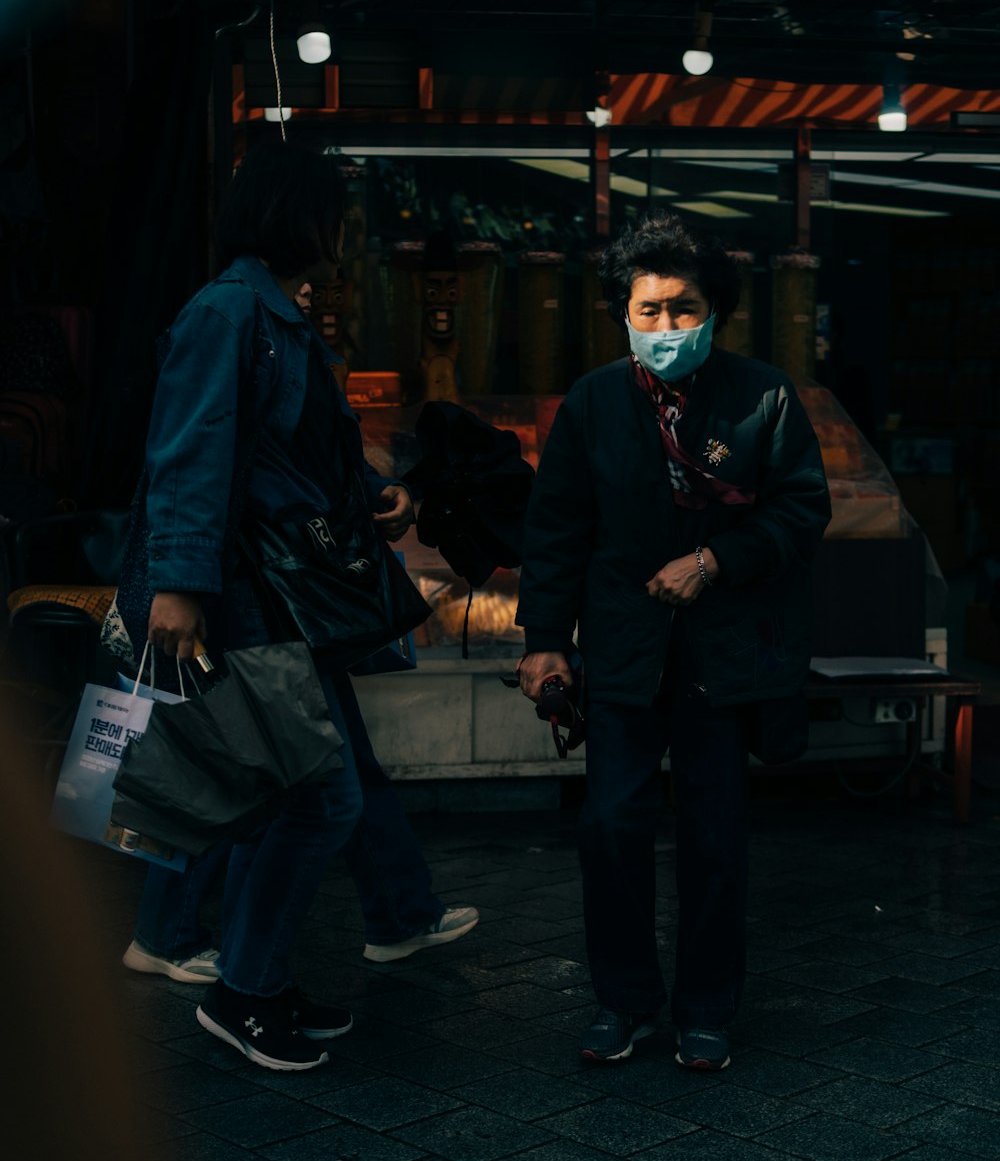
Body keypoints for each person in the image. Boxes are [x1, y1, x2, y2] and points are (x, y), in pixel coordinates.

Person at [113, 143, 476, 1070]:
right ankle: (244, 990)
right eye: (335, 216)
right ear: (298, 217)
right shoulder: (230, 312)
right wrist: (181, 589)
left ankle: (255, 981)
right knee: (320, 799)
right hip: (242, 603)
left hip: (273, 605)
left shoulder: (275, 318)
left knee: (294, 797)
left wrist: (375, 490)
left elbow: (289, 453)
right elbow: (189, 453)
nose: (342, 236)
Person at [515, 211, 830, 1071]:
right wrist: (545, 638)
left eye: (682, 309)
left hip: (725, 654)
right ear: (624, 312)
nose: (665, 326)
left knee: (714, 835)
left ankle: (705, 1007)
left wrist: (714, 561)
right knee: (611, 826)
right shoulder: (590, 403)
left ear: (714, 310)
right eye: (648, 310)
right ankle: (622, 1001)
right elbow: (557, 528)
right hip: (622, 648)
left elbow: (804, 510)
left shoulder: (763, 396)